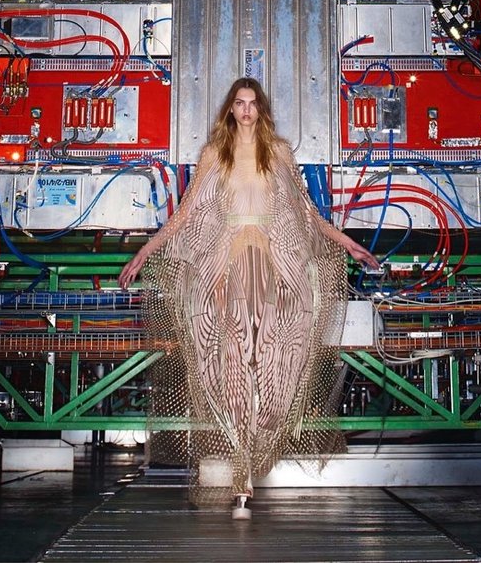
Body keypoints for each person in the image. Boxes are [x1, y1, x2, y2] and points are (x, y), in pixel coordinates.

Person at [118, 76, 381, 517]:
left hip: (272, 262)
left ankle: (257, 451)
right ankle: (242, 476)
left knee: (274, 361)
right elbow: (185, 216)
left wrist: (346, 241)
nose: (245, 110)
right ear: (230, 108)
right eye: (238, 103)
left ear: (260, 108)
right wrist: (145, 252)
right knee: (233, 363)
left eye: (252, 103)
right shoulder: (213, 154)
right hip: (227, 265)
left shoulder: (278, 152)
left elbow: (307, 212)